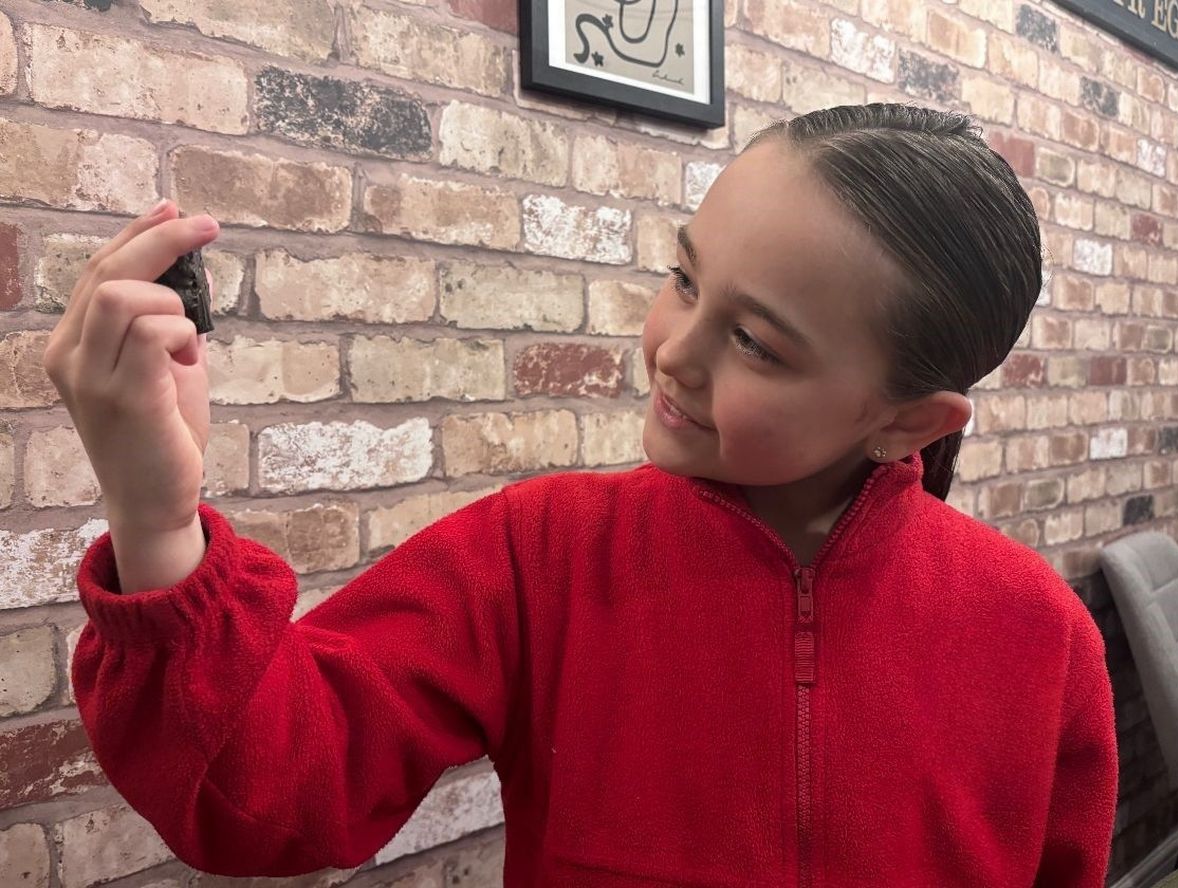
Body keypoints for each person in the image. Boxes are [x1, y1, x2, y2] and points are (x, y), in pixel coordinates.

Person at [45, 103, 1118, 887]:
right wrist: (157, 516)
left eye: (754, 342)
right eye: (686, 280)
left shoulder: (1037, 633)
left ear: (908, 421)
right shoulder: (540, 555)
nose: (675, 353)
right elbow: (259, 796)